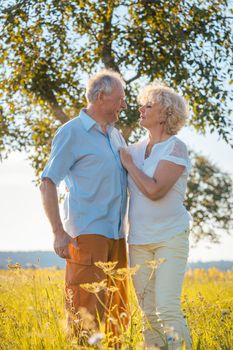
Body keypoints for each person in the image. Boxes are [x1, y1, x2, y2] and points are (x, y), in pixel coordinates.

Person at [40, 69, 129, 340]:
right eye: (120, 99)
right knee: (85, 314)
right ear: (101, 97)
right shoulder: (72, 132)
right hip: (88, 234)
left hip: (118, 235)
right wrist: (58, 231)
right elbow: (47, 182)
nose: (123, 105)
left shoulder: (116, 136)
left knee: (117, 315)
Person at [119, 81, 192, 350]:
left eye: (149, 105)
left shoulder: (175, 147)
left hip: (170, 238)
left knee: (167, 309)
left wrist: (128, 165)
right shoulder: (134, 149)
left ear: (166, 114)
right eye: (142, 104)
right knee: (148, 315)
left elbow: (154, 190)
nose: (141, 109)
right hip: (138, 241)